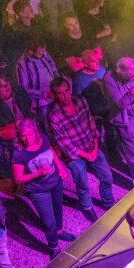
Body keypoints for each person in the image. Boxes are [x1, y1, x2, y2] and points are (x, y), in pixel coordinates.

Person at [47, 76, 114, 222]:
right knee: (83, 183)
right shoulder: (54, 115)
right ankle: (87, 206)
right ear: (54, 95)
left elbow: (91, 123)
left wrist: (95, 147)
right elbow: (63, 143)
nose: (66, 96)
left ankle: (109, 203)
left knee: (107, 176)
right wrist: (84, 154)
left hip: (91, 147)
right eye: (60, 93)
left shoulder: (80, 101)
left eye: (67, 91)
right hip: (74, 156)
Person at [11, 118, 74, 259]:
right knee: (48, 220)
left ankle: (59, 231)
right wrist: (37, 173)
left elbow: (51, 152)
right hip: (39, 191)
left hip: (55, 182)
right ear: (19, 135)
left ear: (35, 132)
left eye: (30, 134)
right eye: (23, 135)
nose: (27, 139)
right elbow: (18, 178)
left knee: (58, 210)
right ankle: (54, 246)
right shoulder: (18, 153)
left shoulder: (43, 139)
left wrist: (61, 169)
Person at [104, 57, 134, 181]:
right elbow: (119, 103)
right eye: (130, 76)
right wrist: (133, 92)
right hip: (125, 119)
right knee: (133, 153)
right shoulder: (109, 78)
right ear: (120, 73)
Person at [15, 37, 61, 123]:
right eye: (40, 54)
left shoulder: (43, 52)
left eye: (44, 51)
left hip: (55, 93)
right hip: (42, 103)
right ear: (30, 52)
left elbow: (53, 67)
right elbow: (24, 89)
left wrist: (58, 82)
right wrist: (45, 94)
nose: (44, 55)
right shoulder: (22, 64)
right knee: (50, 124)